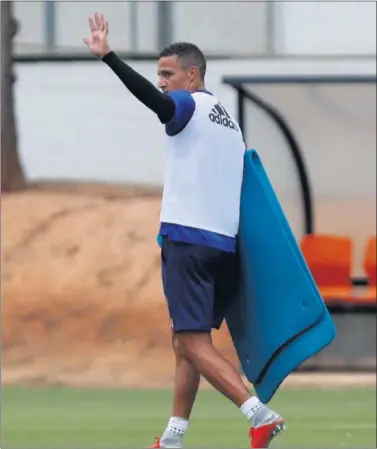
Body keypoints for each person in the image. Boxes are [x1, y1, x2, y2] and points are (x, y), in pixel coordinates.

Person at [83, 12, 285, 449]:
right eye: (159, 74)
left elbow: (158, 105)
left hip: (188, 242)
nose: (162, 82)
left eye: (168, 74)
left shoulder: (188, 105)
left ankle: (259, 415)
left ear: (193, 76)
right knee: (185, 341)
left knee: (192, 343)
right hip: (223, 248)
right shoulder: (227, 121)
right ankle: (174, 438)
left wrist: (110, 58)